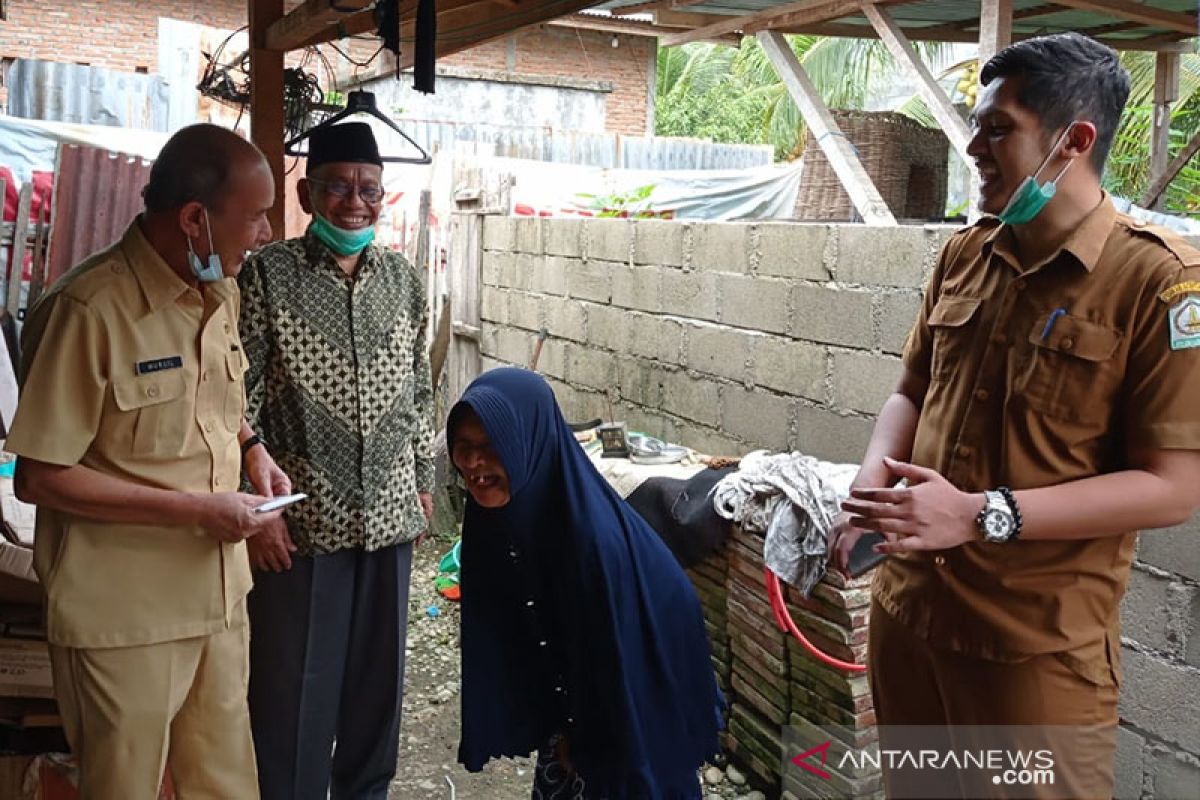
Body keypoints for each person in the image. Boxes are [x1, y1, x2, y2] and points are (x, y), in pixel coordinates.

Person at [830, 33, 1200, 798]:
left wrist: (979, 514)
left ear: (1075, 142)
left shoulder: (1160, 284)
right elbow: (911, 389)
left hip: (1031, 656)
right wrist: (872, 491)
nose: (972, 147)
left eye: (998, 129)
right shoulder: (967, 254)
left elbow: (1175, 487)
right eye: (977, 125)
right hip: (909, 618)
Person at [6, 123, 286, 798]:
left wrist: (253, 451)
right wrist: (197, 511)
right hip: (125, 618)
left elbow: (207, 402)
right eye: (253, 217)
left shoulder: (217, 292)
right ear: (194, 219)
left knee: (223, 786)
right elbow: (41, 475)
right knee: (126, 788)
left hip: (217, 601)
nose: (266, 234)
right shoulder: (87, 310)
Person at [237, 121, 434, 800]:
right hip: (300, 528)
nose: (355, 201)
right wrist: (258, 511)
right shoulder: (266, 276)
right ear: (307, 192)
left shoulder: (403, 280)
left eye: (369, 189)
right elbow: (236, 400)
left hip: (388, 520)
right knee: (292, 697)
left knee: (376, 698)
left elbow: (420, 387)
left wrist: (423, 482)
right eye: (339, 186)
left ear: (385, 197)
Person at [447, 367, 723, 799]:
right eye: (463, 448)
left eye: (489, 446)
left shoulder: (590, 542)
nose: (474, 463)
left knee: (631, 778)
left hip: (636, 679)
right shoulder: (500, 514)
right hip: (580, 688)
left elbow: (610, 660)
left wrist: (584, 732)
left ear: (527, 442)